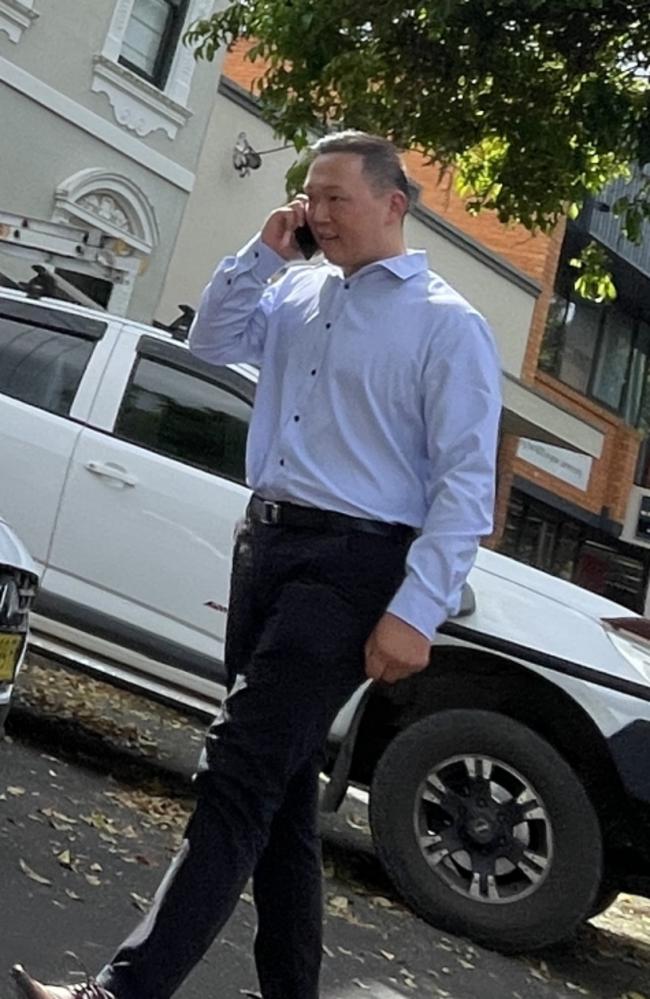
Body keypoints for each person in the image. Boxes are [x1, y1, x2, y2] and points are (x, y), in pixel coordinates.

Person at [12, 130, 502, 999]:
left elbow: (465, 487)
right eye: (310, 195)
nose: (318, 211)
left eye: (336, 197)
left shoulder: (447, 325)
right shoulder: (299, 289)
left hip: (352, 566)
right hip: (267, 546)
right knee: (276, 799)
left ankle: (120, 991)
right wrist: (260, 252)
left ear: (394, 204)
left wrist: (415, 608)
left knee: (237, 770)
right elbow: (211, 344)